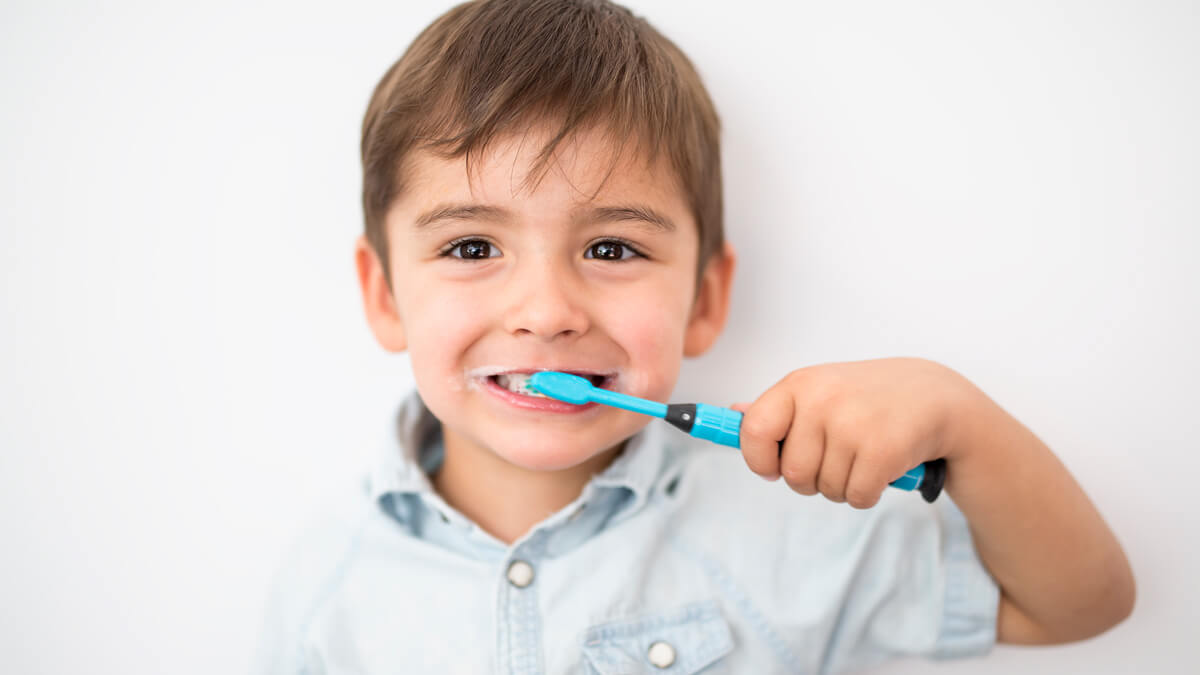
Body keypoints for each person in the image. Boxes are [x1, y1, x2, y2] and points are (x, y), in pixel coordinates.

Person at [254, 0, 1135, 672]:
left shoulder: (789, 532)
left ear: (705, 298)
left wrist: (961, 421)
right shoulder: (325, 587)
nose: (547, 308)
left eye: (611, 247)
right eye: (472, 245)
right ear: (385, 295)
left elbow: (1076, 604)